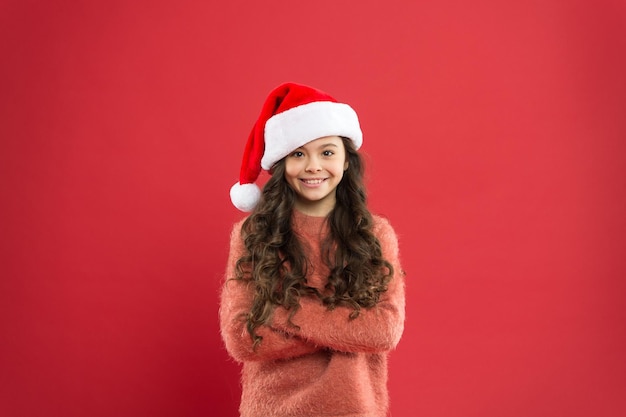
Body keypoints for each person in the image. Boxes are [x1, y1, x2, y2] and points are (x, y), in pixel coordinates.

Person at [220, 82, 406, 417]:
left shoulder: (375, 234)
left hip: (354, 409)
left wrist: (277, 312)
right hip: (273, 410)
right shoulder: (251, 235)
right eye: (298, 153)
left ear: (347, 161)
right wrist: (344, 328)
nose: (313, 166)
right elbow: (242, 337)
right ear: (281, 164)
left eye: (327, 152)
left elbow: (382, 330)